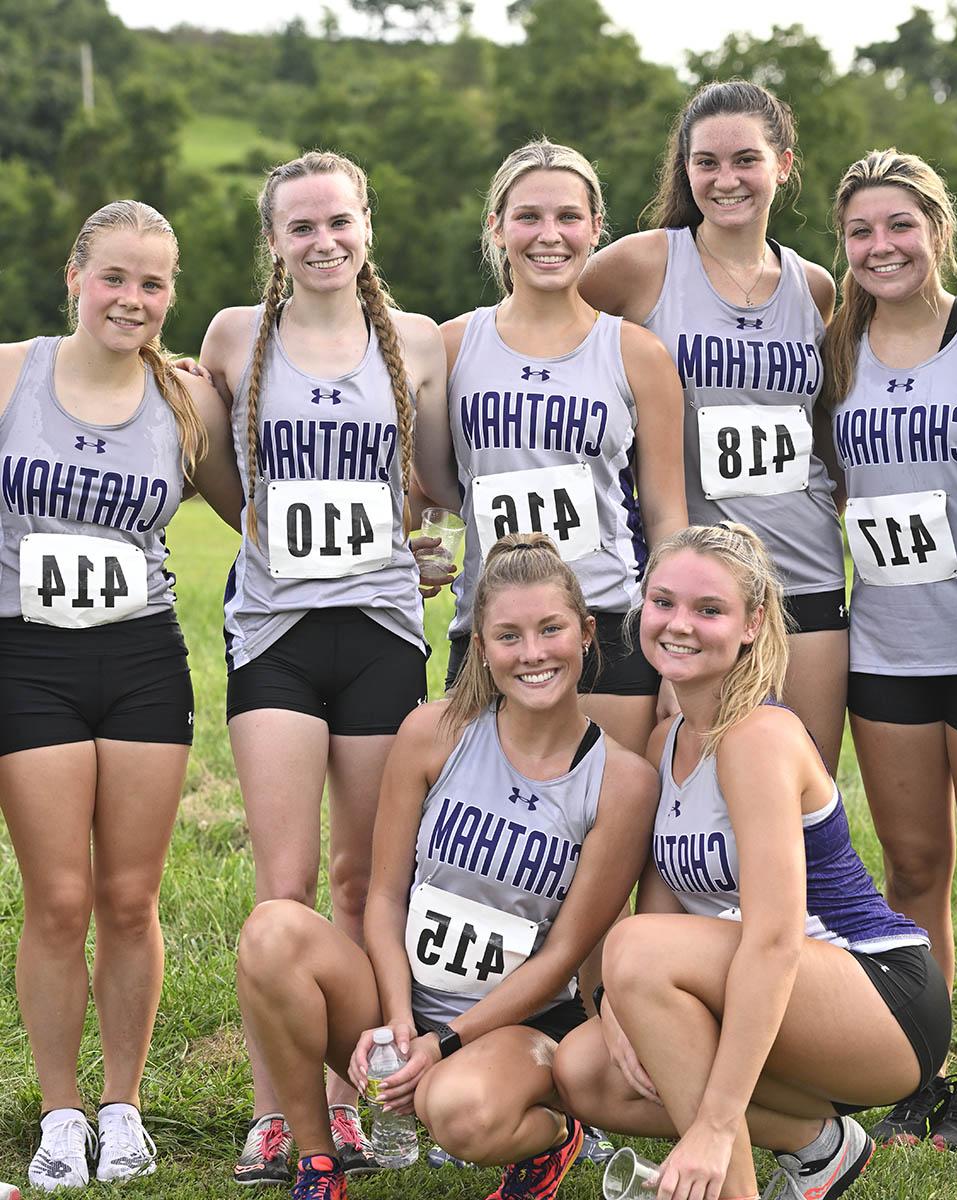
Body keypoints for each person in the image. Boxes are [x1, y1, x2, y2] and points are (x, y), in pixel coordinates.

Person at [236, 533, 659, 1200]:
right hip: (406, 1000)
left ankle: (553, 1139)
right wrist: (401, 1022)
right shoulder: (434, 734)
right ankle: (319, 1161)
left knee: (459, 1113)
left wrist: (448, 1043)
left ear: (585, 632)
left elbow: (564, 958)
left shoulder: (624, 783)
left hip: (518, 1023)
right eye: (509, 636)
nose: (532, 654)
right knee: (271, 931)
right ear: (482, 648)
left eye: (550, 630)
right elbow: (384, 897)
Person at [553, 523, 952, 1200]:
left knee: (638, 954)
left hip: (879, 996)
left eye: (709, 610)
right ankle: (818, 1147)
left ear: (751, 624)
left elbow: (771, 942)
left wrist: (713, 1122)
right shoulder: (664, 742)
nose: (680, 625)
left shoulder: (759, 738)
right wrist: (624, 1014)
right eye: (664, 603)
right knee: (586, 1069)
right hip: (777, 994)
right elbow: (663, 920)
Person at [198, 150, 451, 1184]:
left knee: (363, 879)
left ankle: (347, 1102)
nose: (322, 242)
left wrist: (418, 544)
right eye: (300, 227)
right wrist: (261, 531)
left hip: (384, 633)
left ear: (367, 226)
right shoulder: (232, 337)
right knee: (283, 886)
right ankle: (277, 1111)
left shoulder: (418, 341)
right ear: (274, 241)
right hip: (275, 639)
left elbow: (429, 481)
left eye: (338, 222)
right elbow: (216, 465)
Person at [0, 200, 242, 1190]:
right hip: (28, 659)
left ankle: (125, 1109)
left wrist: (399, 554)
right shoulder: (13, 373)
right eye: (115, 278)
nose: (131, 299)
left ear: (169, 295)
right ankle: (60, 1115)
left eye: (151, 283)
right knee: (58, 899)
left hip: (141, 658)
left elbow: (260, 518)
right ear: (75, 278)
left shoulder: (189, 400)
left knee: (131, 896)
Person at [823, 148, 957, 1149]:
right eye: (861, 232)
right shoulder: (836, 354)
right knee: (912, 871)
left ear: (938, 230)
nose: (880, 247)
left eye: (899, 226)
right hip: (887, 652)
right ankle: (920, 1064)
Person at [579, 81, 848, 771]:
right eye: (706, 163)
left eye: (745, 160)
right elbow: (541, 337)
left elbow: (833, 421)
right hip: (696, 587)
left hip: (806, 574)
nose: (725, 179)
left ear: (782, 165)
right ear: (686, 169)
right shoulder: (644, 265)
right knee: (684, 798)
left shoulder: (814, 286)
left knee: (800, 791)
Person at [432, 138, 689, 757]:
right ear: (496, 228)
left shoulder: (637, 353)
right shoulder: (448, 347)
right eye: (529, 216)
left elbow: (665, 516)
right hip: (490, 624)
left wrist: (674, 652)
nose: (550, 234)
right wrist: (422, 541)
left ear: (596, 228)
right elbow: (428, 490)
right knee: (489, 836)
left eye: (569, 217)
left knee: (612, 827)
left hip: (607, 622)